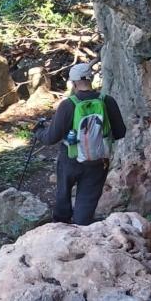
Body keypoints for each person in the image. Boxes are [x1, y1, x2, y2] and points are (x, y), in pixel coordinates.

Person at [35, 62, 127, 225]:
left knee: (63, 192)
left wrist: (38, 131)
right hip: (98, 161)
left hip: (71, 159)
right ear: (90, 80)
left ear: (74, 82)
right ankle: (81, 228)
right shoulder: (107, 101)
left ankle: (60, 225)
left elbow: (50, 138)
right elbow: (120, 132)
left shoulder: (68, 105)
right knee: (88, 198)